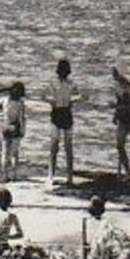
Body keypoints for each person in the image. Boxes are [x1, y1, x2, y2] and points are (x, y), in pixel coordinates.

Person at [45, 58, 82, 186]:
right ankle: (51, 175)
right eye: (62, 71)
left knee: (68, 147)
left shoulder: (71, 84)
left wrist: (73, 100)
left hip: (66, 113)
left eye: (65, 72)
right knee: (54, 146)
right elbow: (46, 95)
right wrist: (51, 100)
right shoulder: (53, 83)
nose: (63, 74)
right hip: (56, 113)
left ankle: (70, 176)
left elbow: (79, 95)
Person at [0, 82, 26, 180]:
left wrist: (0, 109)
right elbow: (21, 118)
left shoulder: (5, 100)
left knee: (4, 151)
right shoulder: (20, 104)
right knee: (14, 152)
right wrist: (22, 129)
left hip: (5, 126)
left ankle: (3, 173)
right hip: (15, 127)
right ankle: (13, 174)